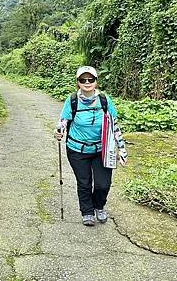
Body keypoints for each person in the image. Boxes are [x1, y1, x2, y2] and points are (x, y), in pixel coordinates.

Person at [55, 66, 128, 226]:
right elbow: (63, 121)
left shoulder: (104, 100)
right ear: (78, 82)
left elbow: (114, 126)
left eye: (91, 79)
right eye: (83, 80)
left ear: (96, 81)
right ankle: (87, 211)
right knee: (84, 182)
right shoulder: (72, 100)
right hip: (77, 150)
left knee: (103, 184)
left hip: (101, 150)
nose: (87, 82)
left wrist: (122, 148)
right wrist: (59, 131)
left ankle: (99, 206)